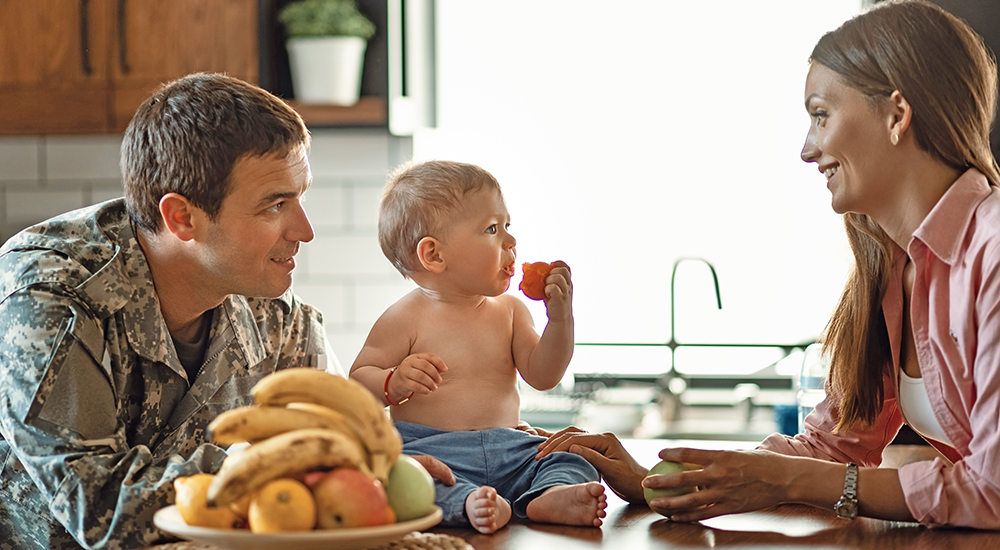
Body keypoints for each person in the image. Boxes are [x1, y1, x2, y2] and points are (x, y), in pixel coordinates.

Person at [538, 0, 1000, 529]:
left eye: (821, 114)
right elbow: (833, 445)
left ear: (897, 115)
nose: (808, 150)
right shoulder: (892, 266)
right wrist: (667, 479)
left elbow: (994, 490)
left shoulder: (992, 252)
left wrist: (784, 480)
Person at [0, 73, 343, 549]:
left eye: (300, 197)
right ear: (182, 217)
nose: (304, 231)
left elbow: (333, 450)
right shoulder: (52, 298)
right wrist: (272, 468)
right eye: (275, 206)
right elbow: (97, 507)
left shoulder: (277, 316)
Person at [349, 160, 607, 534]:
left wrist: (560, 320)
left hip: (512, 447)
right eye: (491, 229)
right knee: (396, 477)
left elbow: (544, 375)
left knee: (574, 455)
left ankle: (548, 493)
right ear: (434, 255)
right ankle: (468, 501)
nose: (511, 241)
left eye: (507, 226)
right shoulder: (404, 317)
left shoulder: (511, 311)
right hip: (436, 452)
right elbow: (358, 382)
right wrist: (393, 381)